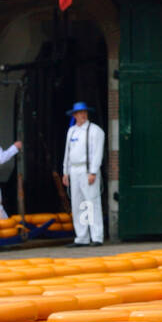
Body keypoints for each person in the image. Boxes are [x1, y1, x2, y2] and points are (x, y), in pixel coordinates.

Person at [61, 102, 106, 245]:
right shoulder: (72, 131)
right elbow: (67, 152)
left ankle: (97, 236)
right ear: (74, 115)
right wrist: (65, 171)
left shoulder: (95, 130)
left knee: (91, 203)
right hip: (74, 170)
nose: (82, 115)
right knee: (78, 204)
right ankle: (82, 237)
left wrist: (93, 171)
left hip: (87, 170)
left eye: (84, 112)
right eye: (79, 113)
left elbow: (97, 152)